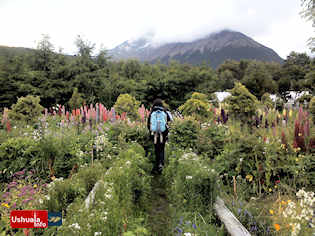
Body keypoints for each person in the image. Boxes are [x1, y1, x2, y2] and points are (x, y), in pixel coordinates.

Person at [147, 98, 171, 174]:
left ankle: (156, 166)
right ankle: (161, 164)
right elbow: (169, 122)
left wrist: (151, 132)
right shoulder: (164, 112)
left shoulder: (152, 113)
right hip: (163, 134)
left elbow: (148, 124)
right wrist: (166, 133)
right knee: (162, 149)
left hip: (154, 135)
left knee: (156, 149)